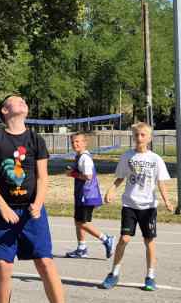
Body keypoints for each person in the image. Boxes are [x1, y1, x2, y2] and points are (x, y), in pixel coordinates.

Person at [0, 95, 74, 303]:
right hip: (4, 212)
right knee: (2, 264)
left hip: (32, 211)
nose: (21, 102)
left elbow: (42, 177)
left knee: (45, 262)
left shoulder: (35, 139)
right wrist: (2, 206)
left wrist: (38, 203)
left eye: (23, 101)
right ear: (4, 110)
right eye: (15, 100)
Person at [101, 122, 173, 290]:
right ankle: (114, 274)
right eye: (136, 135)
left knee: (149, 241)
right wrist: (111, 190)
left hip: (148, 207)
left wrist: (167, 201)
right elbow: (120, 177)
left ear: (149, 138)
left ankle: (150, 276)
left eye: (143, 135)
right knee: (124, 239)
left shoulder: (155, 159)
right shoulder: (127, 156)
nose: (139, 138)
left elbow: (161, 182)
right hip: (130, 204)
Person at [63, 132, 114, 262]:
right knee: (78, 221)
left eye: (77, 141)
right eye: (73, 142)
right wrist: (73, 171)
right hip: (81, 194)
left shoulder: (85, 158)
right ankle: (82, 248)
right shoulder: (79, 156)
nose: (75, 144)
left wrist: (72, 174)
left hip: (86, 195)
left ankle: (106, 239)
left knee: (82, 223)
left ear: (85, 143)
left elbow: (88, 176)